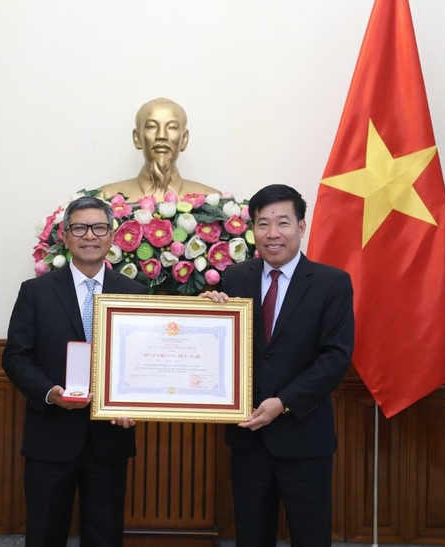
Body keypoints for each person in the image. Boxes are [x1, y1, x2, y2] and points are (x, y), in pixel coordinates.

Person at [201, 184, 354, 546]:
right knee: (251, 537)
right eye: (263, 223)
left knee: (310, 536)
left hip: (304, 437)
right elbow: (224, 348)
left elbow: (335, 358)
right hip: (248, 438)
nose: (273, 234)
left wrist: (282, 403)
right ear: (252, 229)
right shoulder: (235, 278)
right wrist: (207, 315)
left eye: (283, 222)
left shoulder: (331, 283)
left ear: (302, 227)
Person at [2, 195, 147, 547]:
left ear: (112, 236)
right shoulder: (35, 292)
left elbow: (144, 363)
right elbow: (16, 357)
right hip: (50, 437)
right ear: (65, 236)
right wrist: (51, 393)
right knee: (45, 533)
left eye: (99, 227)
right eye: (79, 227)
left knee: (105, 535)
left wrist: (135, 403)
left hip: (109, 438)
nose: (89, 236)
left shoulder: (135, 293)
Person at [97, 97, 219, 201]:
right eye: (151, 127)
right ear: (137, 138)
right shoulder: (105, 198)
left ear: (184, 139)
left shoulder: (212, 200)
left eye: (172, 127)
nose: (161, 135)